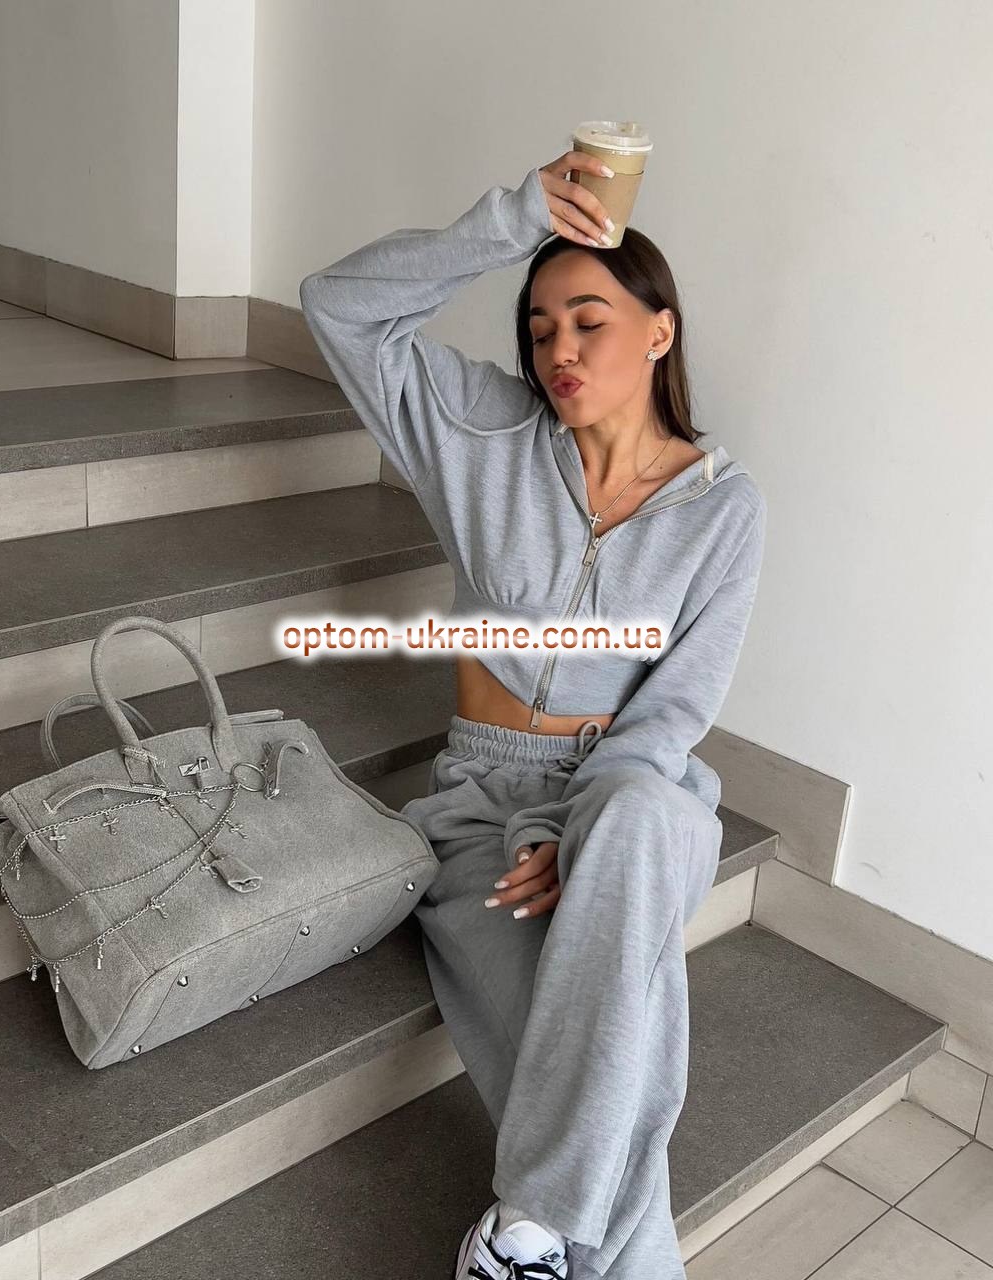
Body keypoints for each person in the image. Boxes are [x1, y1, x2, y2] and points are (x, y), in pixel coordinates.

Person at [299, 149, 766, 1280]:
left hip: (630, 802)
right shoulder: (484, 437)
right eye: (540, 325)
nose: (559, 348)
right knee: (608, 1083)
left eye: (590, 321)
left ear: (659, 332)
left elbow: (676, 712)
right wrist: (510, 221)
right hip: (484, 805)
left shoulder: (726, 512)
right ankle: (530, 1235)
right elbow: (339, 308)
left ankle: (524, 1235)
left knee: (640, 821)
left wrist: (579, 828)